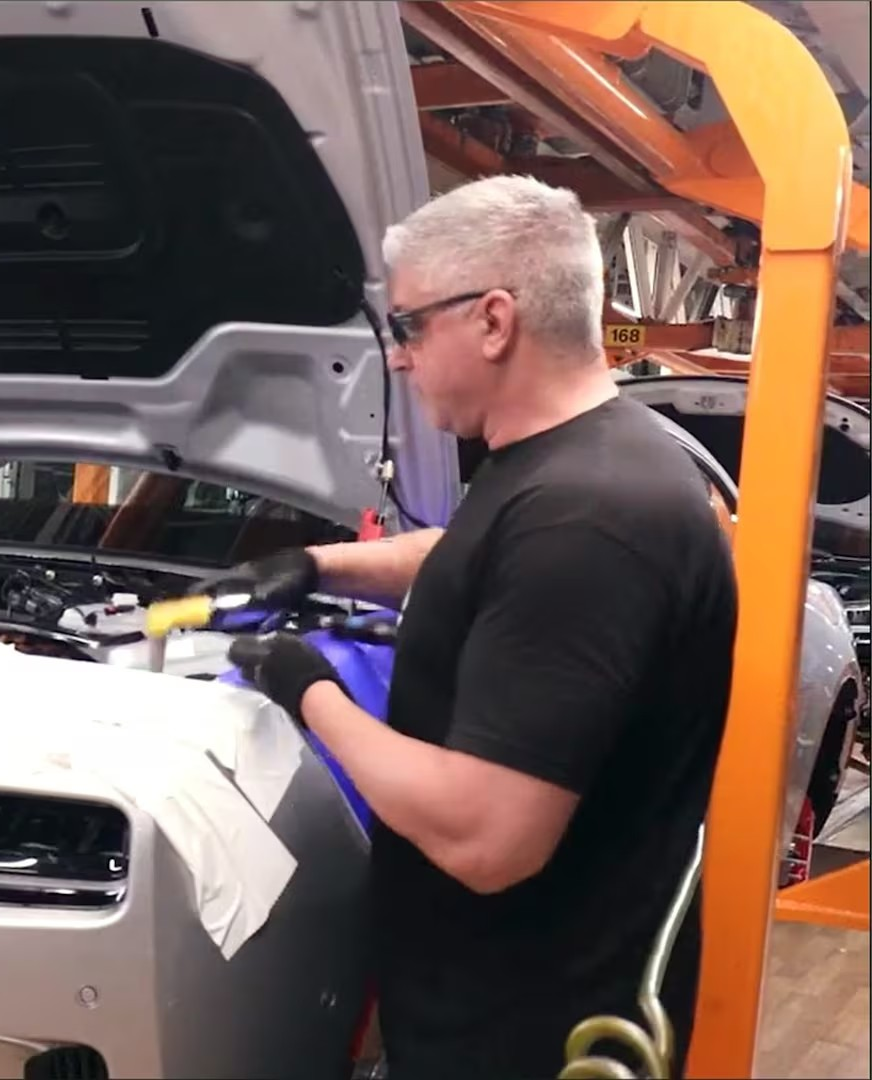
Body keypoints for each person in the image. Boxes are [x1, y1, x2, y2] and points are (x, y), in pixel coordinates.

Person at [218, 176, 737, 1078]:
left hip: (530, 1039)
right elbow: (478, 554)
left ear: (494, 321)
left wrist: (310, 691)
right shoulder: (576, 463)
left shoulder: (592, 519)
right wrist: (322, 565)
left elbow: (488, 839)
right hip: (491, 1007)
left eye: (410, 326)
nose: (402, 357)